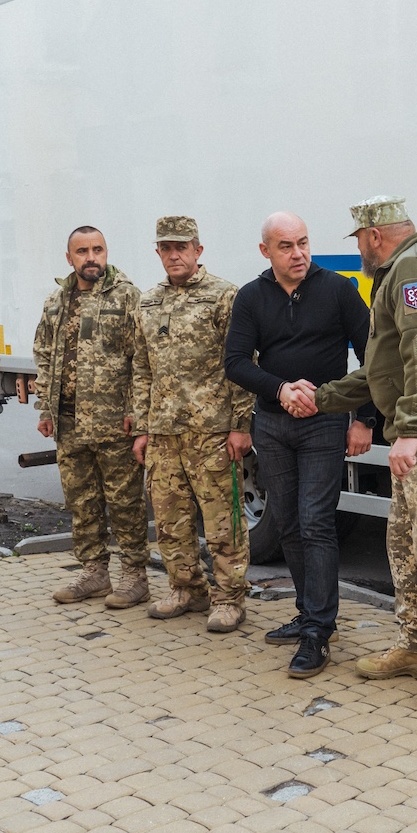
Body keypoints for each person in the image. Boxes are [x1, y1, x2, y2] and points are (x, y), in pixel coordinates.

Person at [284, 196, 417, 708]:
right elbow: (384, 369)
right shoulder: (401, 271)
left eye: (357, 240)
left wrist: (411, 429)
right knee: (404, 542)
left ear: (375, 235)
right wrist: (326, 399)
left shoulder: (415, 268)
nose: (357, 251)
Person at [224, 211, 375, 679]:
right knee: (287, 522)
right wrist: (280, 389)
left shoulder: (336, 290)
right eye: (287, 246)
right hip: (272, 425)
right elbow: (235, 362)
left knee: (316, 523)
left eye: (304, 243)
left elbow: (373, 353)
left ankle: (318, 631)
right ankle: (309, 612)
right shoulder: (251, 297)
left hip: (324, 424)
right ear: (265, 251)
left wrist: (364, 418)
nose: (299, 254)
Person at [131, 216, 255, 632]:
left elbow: (241, 364)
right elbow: (142, 368)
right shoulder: (147, 302)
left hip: (212, 431)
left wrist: (241, 424)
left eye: (182, 247)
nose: (174, 254)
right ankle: (187, 588)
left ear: (198, 251)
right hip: (164, 433)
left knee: (223, 520)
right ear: (158, 252)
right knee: (170, 519)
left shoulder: (224, 296)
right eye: (166, 247)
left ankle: (229, 597)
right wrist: (142, 429)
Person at [31, 226, 149, 609]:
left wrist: (136, 411)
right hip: (69, 424)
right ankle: (95, 572)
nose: (91, 257)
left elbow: (142, 358)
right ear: (70, 258)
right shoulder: (56, 301)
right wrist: (46, 410)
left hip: (115, 422)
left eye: (97, 249)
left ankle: (134, 576)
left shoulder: (127, 297)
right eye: (82, 251)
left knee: (125, 502)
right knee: (82, 502)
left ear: (106, 252)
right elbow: (45, 357)